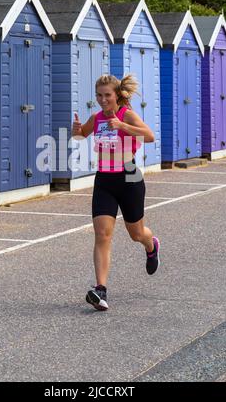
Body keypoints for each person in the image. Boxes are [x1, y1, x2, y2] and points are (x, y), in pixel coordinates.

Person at [72, 74, 160, 311]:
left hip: (129, 176)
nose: (102, 100)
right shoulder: (97, 118)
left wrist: (122, 126)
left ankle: (151, 246)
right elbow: (81, 135)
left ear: (117, 95)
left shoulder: (126, 114)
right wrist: (76, 130)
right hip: (104, 179)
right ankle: (100, 289)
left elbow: (149, 136)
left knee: (136, 233)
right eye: (99, 95)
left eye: (107, 95)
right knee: (102, 234)